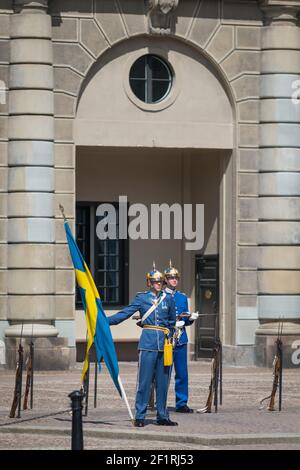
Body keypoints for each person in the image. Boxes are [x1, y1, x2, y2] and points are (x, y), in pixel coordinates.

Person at [108, 263, 178, 427]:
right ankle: (140, 415)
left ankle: (162, 415)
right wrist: (104, 321)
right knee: (144, 382)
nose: (158, 284)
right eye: (155, 281)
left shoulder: (168, 299)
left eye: (160, 281)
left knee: (163, 382)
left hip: (165, 344)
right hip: (147, 344)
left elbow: (171, 322)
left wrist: (171, 337)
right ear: (149, 283)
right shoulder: (142, 298)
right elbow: (124, 314)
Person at [164, 261, 199, 413]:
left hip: (180, 339)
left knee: (182, 373)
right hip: (166, 339)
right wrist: (172, 324)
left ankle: (181, 402)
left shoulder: (182, 297)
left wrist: (190, 319)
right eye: (171, 278)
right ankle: (160, 403)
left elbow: (185, 320)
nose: (174, 280)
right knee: (164, 373)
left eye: (176, 278)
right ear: (165, 280)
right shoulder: (161, 296)